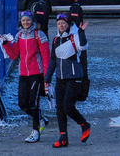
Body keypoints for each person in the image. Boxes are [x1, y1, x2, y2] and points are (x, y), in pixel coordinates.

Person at [0, 10, 51, 143]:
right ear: (20, 22)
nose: (26, 22)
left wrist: (47, 77)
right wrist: (5, 44)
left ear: (32, 21)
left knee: (33, 103)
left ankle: (35, 132)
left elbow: (46, 57)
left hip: (37, 73)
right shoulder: (19, 35)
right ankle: (40, 119)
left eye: (28, 20)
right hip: (24, 74)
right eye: (23, 20)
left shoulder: (39, 35)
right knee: (22, 104)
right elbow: (14, 55)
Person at [44, 13, 91, 148]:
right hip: (60, 78)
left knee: (68, 107)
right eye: (59, 23)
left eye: (63, 23)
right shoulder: (55, 39)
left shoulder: (74, 37)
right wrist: (47, 77)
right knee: (59, 109)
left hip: (75, 77)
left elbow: (83, 46)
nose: (61, 25)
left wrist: (81, 32)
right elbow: (53, 60)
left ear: (68, 24)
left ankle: (84, 124)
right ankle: (63, 137)